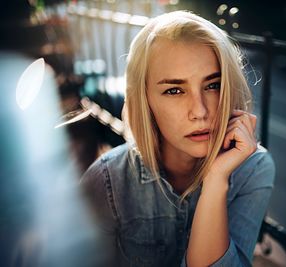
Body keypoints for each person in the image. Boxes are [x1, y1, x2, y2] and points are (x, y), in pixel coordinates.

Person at [80, 10, 275, 267]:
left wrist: (216, 180)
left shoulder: (254, 169)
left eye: (212, 85)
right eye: (174, 90)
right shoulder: (107, 183)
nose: (200, 111)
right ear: (145, 100)